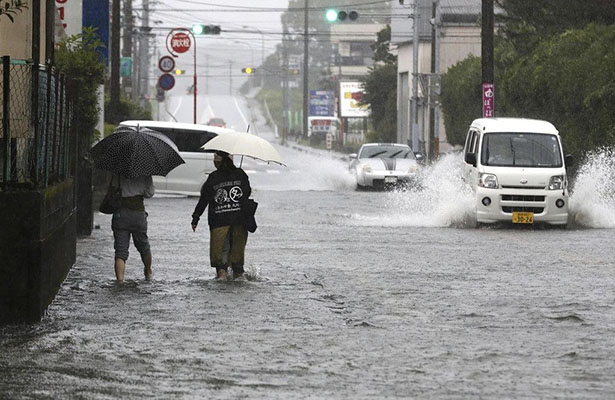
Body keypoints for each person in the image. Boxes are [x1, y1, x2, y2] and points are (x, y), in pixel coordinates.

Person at [191, 151, 252, 281]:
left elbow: (204, 199)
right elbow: (247, 192)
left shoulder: (214, 177)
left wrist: (196, 217)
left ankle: (222, 276)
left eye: (215, 159)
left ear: (219, 161)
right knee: (238, 262)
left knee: (221, 260)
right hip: (239, 220)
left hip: (219, 222)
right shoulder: (240, 174)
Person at [111, 174, 155, 281]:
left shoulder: (119, 170)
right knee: (144, 246)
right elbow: (150, 193)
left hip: (121, 214)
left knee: (120, 251)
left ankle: (120, 281)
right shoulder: (145, 171)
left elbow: (113, 188)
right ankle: (148, 270)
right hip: (138, 214)